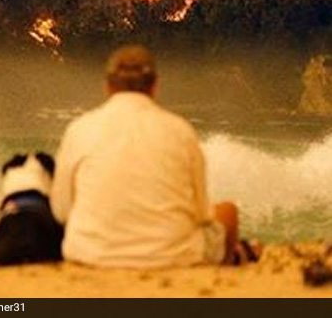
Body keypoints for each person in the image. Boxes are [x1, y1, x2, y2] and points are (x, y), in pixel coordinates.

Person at [50, 45, 255, 268]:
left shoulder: (80, 129)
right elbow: (201, 214)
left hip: (90, 255)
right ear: (155, 86)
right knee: (228, 212)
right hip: (173, 256)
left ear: (107, 86)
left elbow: (62, 210)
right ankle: (225, 271)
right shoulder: (180, 130)